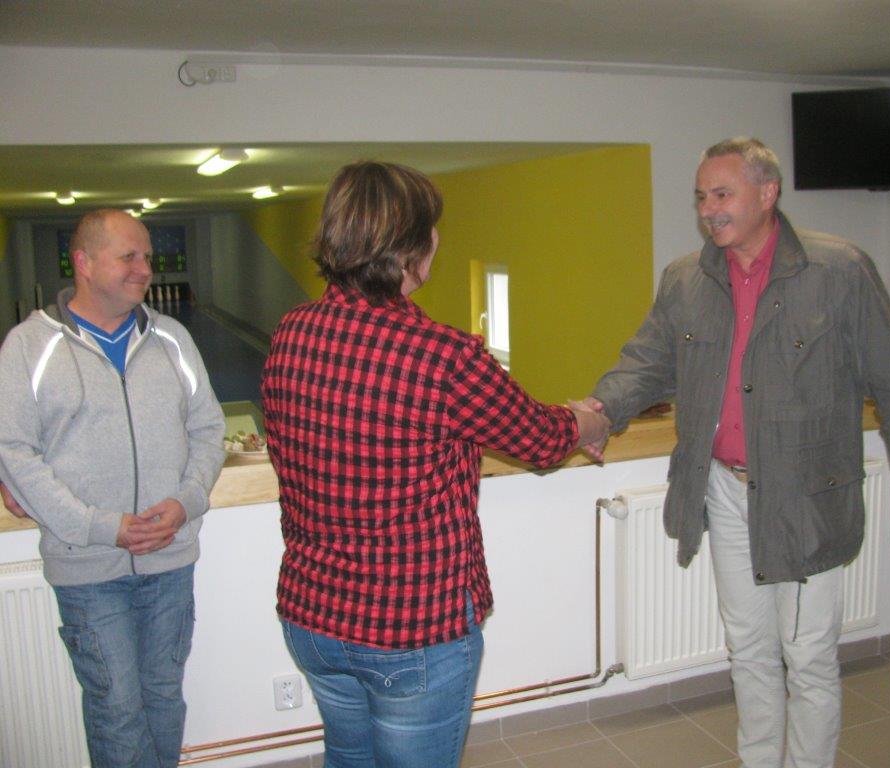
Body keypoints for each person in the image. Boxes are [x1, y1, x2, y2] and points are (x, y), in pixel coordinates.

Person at [581, 138, 890, 768]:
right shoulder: (687, 279)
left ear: (768, 193)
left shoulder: (839, 271)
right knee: (748, 650)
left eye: (722, 194)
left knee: (808, 658)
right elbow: (647, 363)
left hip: (807, 497)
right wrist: (597, 411)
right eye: (701, 197)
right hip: (723, 490)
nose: (708, 210)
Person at [260, 161, 609, 768]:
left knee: (348, 758)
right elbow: (541, 438)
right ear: (411, 248)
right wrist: (591, 421)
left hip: (312, 617)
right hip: (410, 629)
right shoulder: (442, 356)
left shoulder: (292, 332)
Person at [0, 209, 225, 768]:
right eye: (129, 256)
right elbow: (14, 451)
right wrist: (101, 526)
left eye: (147, 256)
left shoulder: (172, 338)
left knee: (164, 697)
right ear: (83, 261)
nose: (144, 268)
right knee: (116, 708)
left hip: (170, 560)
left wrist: (186, 501)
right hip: (87, 568)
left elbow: (208, 429)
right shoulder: (29, 346)